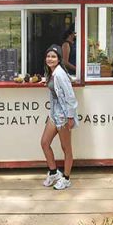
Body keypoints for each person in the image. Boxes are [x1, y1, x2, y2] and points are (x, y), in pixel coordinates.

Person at [40, 44, 79, 190]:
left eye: (53, 56)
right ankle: (53, 172)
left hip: (63, 115)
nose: (50, 59)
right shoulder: (53, 72)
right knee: (44, 142)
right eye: (48, 56)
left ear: (59, 59)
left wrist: (70, 117)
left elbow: (70, 96)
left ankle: (66, 178)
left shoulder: (60, 74)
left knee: (66, 148)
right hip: (54, 114)